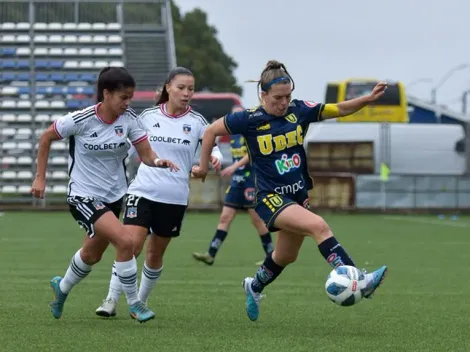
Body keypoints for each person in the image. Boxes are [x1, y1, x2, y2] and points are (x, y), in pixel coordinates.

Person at [193, 60, 388, 322]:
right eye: (278, 98)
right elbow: (209, 131)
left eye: (288, 96)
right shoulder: (248, 119)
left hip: (296, 195)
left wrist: (368, 99)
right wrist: (203, 167)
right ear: (263, 95)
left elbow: (340, 109)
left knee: (286, 255)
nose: (284, 102)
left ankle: (255, 286)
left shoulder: (300, 110)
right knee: (319, 226)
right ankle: (358, 279)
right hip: (269, 198)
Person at [31, 66, 179, 323]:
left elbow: (146, 154)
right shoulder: (81, 119)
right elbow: (45, 138)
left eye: (130, 97)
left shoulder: (130, 119)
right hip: (83, 196)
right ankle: (135, 304)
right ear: (106, 94)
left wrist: (158, 162)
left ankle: (61, 289)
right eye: (124, 97)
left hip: (113, 198)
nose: (128, 102)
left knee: (91, 255)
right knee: (126, 242)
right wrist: (40, 177)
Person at [95, 67, 223, 317]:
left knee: (155, 253)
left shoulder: (197, 123)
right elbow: (127, 148)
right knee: (130, 246)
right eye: (181, 88)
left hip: (174, 197)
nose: (187, 93)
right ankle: (111, 299)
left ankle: (139, 302)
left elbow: (213, 148)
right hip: (142, 191)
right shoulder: (147, 116)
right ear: (168, 88)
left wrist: (214, 160)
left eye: (191, 89)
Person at [192, 105, 273, 266]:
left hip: (251, 181)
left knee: (257, 221)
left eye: (239, 116)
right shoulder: (233, 136)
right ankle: (210, 254)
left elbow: (252, 154)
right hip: (237, 182)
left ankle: (271, 257)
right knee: (224, 218)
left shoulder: (250, 132)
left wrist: (233, 167)